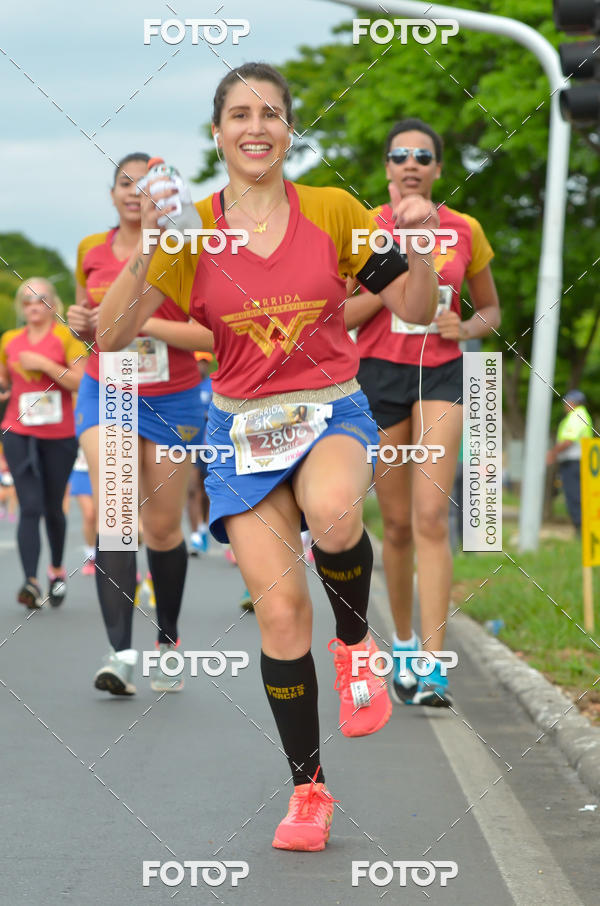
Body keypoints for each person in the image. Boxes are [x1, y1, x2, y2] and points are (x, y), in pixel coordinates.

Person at [97, 64, 438, 851]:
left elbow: (414, 312)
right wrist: (150, 245)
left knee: (332, 511)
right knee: (281, 614)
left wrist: (414, 249)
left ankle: (356, 645)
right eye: (240, 114)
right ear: (217, 133)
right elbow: (110, 336)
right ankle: (308, 791)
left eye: (272, 114)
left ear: (290, 130)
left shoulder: (335, 209)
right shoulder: (191, 233)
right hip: (238, 430)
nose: (257, 126)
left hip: (330, 409)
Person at [346, 118, 501, 707]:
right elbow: (338, 317)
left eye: (423, 155)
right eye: (400, 155)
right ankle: (406, 647)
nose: (411, 163)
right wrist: (394, 279)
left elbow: (490, 309)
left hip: (439, 372)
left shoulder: (464, 230)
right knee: (400, 524)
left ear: (438, 169)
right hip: (378, 375)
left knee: (433, 515)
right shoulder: (364, 228)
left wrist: (463, 324)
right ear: (387, 167)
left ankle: (435, 665)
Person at [67, 152, 212, 696]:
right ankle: (120, 652)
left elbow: (214, 336)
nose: (135, 193)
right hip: (109, 387)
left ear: (165, 195)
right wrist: (87, 324)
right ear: (112, 196)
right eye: (125, 184)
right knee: (118, 508)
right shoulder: (91, 250)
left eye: (146, 185)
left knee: (163, 528)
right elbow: (93, 330)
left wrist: (135, 322)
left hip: (173, 398)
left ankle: (168, 640)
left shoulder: (188, 246)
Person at [0, 278, 87, 608]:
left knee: (53, 507)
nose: (33, 306)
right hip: (18, 431)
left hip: (59, 434)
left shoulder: (66, 336)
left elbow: (81, 379)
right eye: (26, 301)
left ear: (53, 304)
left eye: (39, 300)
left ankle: (55, 571)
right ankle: (31, 583)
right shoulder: (9, 339)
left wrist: (46, 366)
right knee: (30, 506)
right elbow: (5, 380)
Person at [546, 389, 593, 534]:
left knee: (574, 496)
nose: (564, 405)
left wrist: (552, 453)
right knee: (576, 495)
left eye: (566, 402)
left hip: (574, 462)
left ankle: (581, 531)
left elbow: (568, 441)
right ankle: (582, 529)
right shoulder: (579, 415)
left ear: (572, 402)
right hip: (576, 461)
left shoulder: (577, 415)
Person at [188, 352, 213, 554]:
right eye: (198, 362)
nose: (201, 367)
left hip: (209, 445)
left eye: (204, 363)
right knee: (191, 489)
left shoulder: (213, 385)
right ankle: (195, 534)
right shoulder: (186, 385)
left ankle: (204, 527)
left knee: (205, 492)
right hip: (188, 444)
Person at [66, 445, 97, 574]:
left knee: (107, 514)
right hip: (80, 469)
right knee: (90, 515)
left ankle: (114, 557)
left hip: (107, 467)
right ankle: (92, 557)